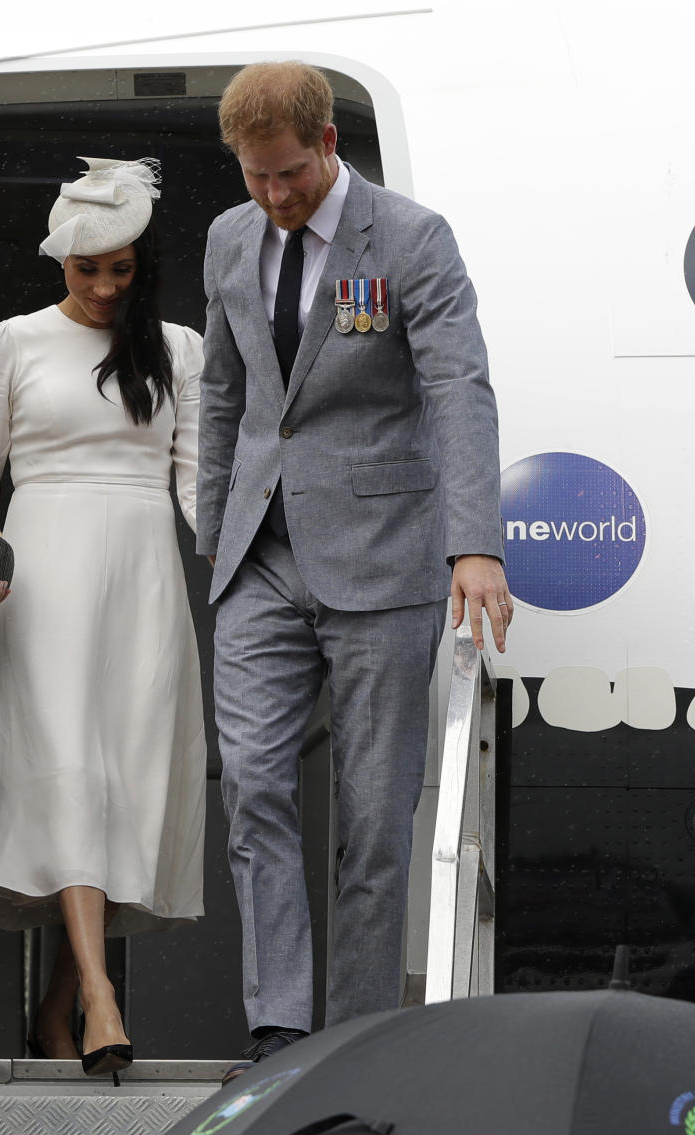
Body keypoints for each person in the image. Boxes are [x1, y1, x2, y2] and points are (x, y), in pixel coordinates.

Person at [195, 63, 512, 1081]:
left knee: (374, 818)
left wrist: (476, 542)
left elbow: (459, 385)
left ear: (328, 143)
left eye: (287, 174)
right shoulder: (228, 238)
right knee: (251, 785)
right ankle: (282, 1029)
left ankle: (358, 1038)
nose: (274, 196)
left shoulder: (412, 239)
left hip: (383, 558)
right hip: (261, 556)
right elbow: (222, 392)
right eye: (255, 178)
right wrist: (214, 528)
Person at [0, 157, 206, 1076]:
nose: (102, 287)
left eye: (120, 269)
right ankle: (100, 998)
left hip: (144, 578)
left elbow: (199, 490)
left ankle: (53, 1013)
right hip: (40, 572)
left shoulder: (177, 348)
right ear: (60, 261)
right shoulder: (6, 342)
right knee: (68, 772)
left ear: (144, 265)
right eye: (85, 268)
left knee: (120, 783)